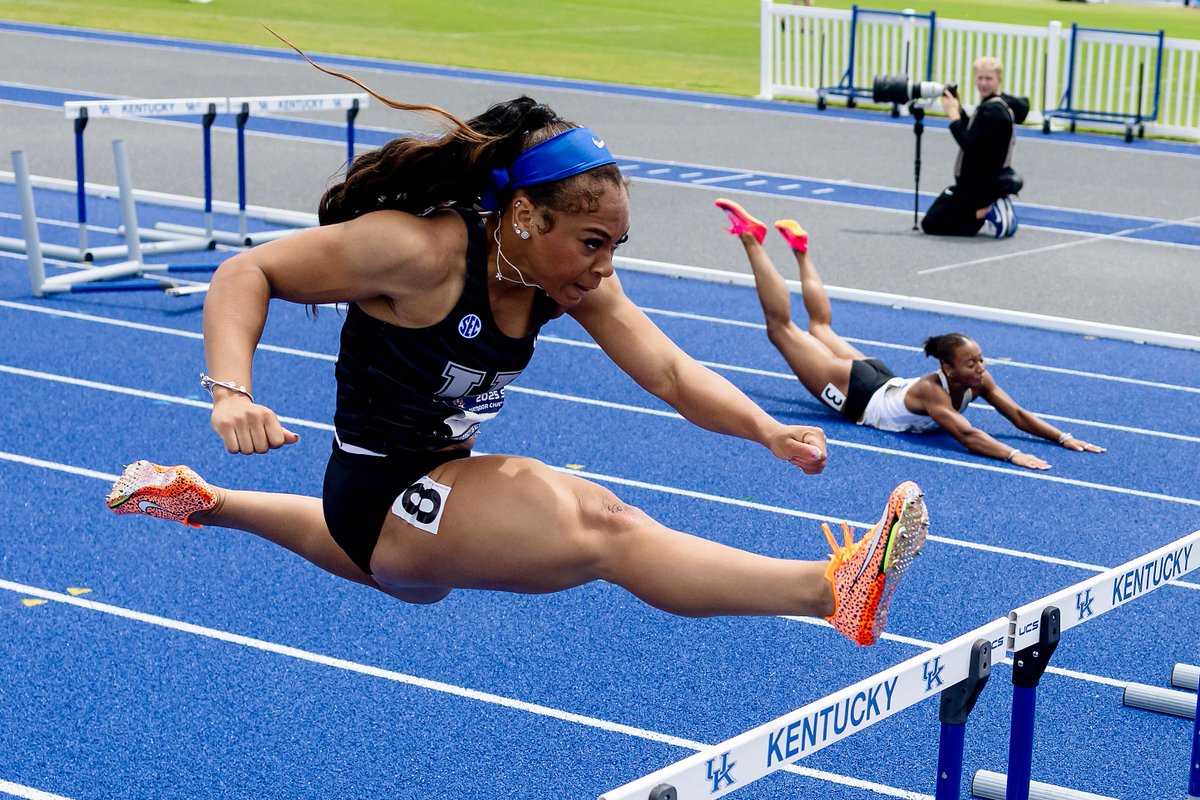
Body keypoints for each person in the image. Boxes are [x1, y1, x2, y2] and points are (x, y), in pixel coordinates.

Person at [103, 75, 929, 647]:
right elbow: (249, 270)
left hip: (419, 508)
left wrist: (767, 434)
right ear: (526, 216)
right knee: (606, 527)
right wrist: (230, 393)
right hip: (384, 494)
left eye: (616, 246)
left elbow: (671, 374)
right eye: (592, 243)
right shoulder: (419, 253)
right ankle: (830, 592)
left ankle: (205, 503)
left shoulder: (564, 281)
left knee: (402, 574)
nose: (604, 267)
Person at [715, 198, 1106, 470]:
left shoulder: (977, 381)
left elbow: (1017, 414)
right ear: (948, 370)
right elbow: (967, 435)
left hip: (879, 380)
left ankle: (800, 249)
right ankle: (750, 237)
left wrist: (1060, 437)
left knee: (819, 328)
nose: (981, 369)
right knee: (782, 330)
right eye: (971, 363)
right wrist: (1011, 455)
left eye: (981, 360)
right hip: (860, 396)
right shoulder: (932, 392)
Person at [920, 56, 1029, 239]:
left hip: (978, 184)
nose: (983, 83)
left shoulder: (992, 111)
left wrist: (954, 117)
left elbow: (969, 143)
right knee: (943, 212)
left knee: (931, 223)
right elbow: (977, 132)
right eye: (980, 78)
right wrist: (959, 108)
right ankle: (985, 210)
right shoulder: (996, 105)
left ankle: (987, 211)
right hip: (982, 181)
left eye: (988, 79)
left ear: (998, 80)